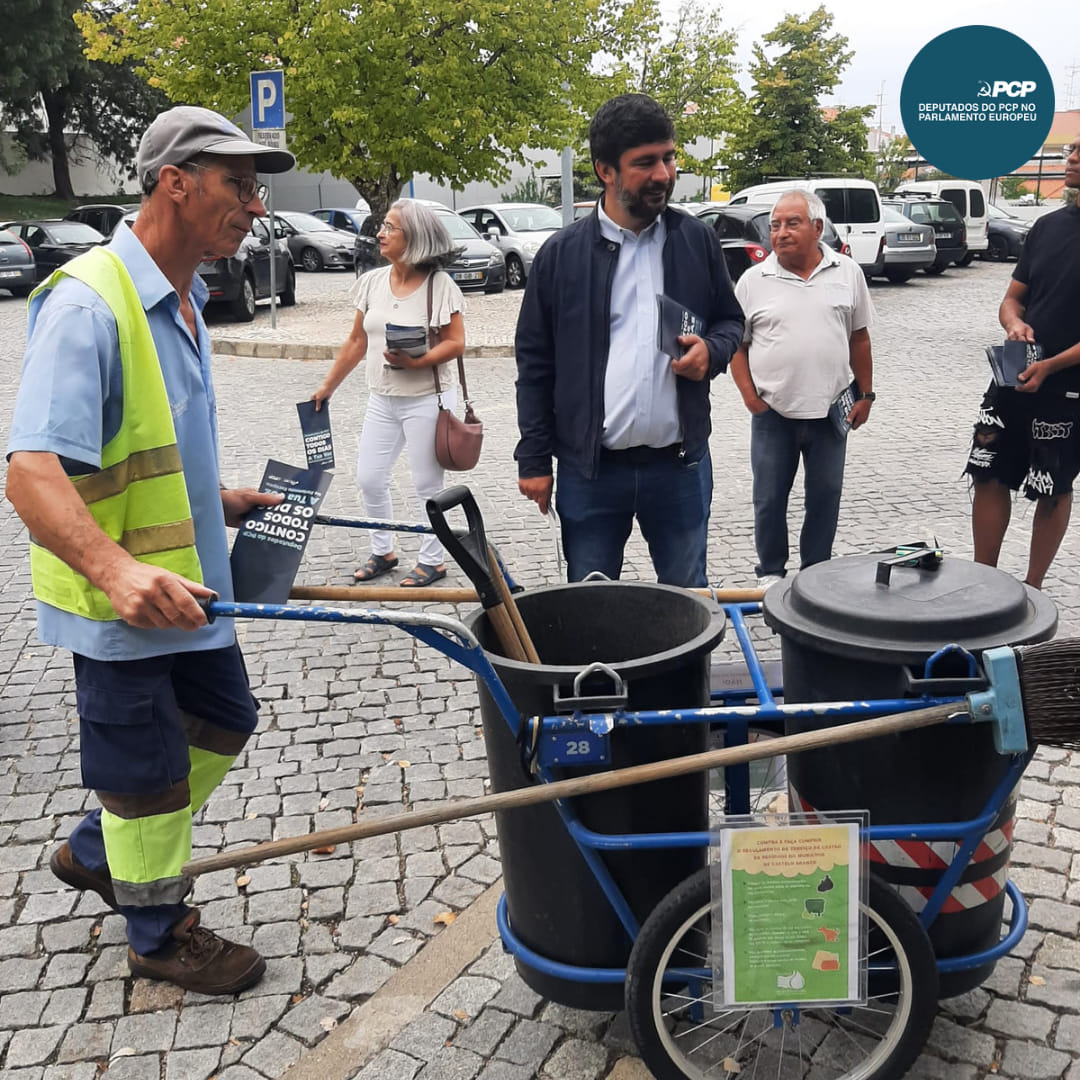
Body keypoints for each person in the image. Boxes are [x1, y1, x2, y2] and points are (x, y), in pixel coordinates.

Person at [5, 105, 295, 994]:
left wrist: (219, 499)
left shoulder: (184, 296)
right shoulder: (91, 303)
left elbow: (145, 445)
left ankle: (99, 850)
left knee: (225, 717)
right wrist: (116, 570)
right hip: (121, 604)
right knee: (145, 766)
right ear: (176, 181)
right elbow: (29, 469)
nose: (253, 205)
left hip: (187, 585)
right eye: (238, 185)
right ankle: (158, 931)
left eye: (256, 188)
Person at [515, 93, 744, 587]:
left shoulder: (695, 239)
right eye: (645, 163)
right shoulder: (560, 257)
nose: (663, 174)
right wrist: (533, 459)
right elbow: (535, 365)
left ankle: (681, 671)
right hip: (591, 473)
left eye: (669, 157)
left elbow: (730, 321)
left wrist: (713, 351)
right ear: (605, 170)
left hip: (679, 468)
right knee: (593, 612)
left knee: (687, 607)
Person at [313, 199, 466, 586]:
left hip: (427, 400)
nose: (380, 233)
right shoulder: (372, 283)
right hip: (382, 398)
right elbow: (355, 341)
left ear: (413, 237)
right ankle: (383, 550)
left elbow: (457, 343)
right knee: (369, 476)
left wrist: (418, 362)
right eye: (382, 226)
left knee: (427, 484)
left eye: (390, 228)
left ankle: (433, 560)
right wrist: (328, 386)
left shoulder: (439, 285)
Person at [731, 190, 875, 586]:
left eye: (791, 224)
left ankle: (816, 574)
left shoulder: (847, 272)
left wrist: (866, 394)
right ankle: (771, 573)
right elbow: (736, 347)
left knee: (825, 496)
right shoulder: (753, 281)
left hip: (832, 411)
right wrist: (749, 397)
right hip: (773, 411)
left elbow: (859, 338)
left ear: (816, 228)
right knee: (769, 499)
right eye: (774, 225)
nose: (780, 233)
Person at [965, 136, 1080, 590]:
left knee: (1053, 486)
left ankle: (1033, 591)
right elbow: (1013, 299)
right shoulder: (1048, 227)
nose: (1070, 159)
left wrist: (1052, 366)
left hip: (1068, 389)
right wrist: (1014, 324)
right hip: (1012, 374)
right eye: (1071, 151)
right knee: (989, 471)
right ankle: (983, 582)